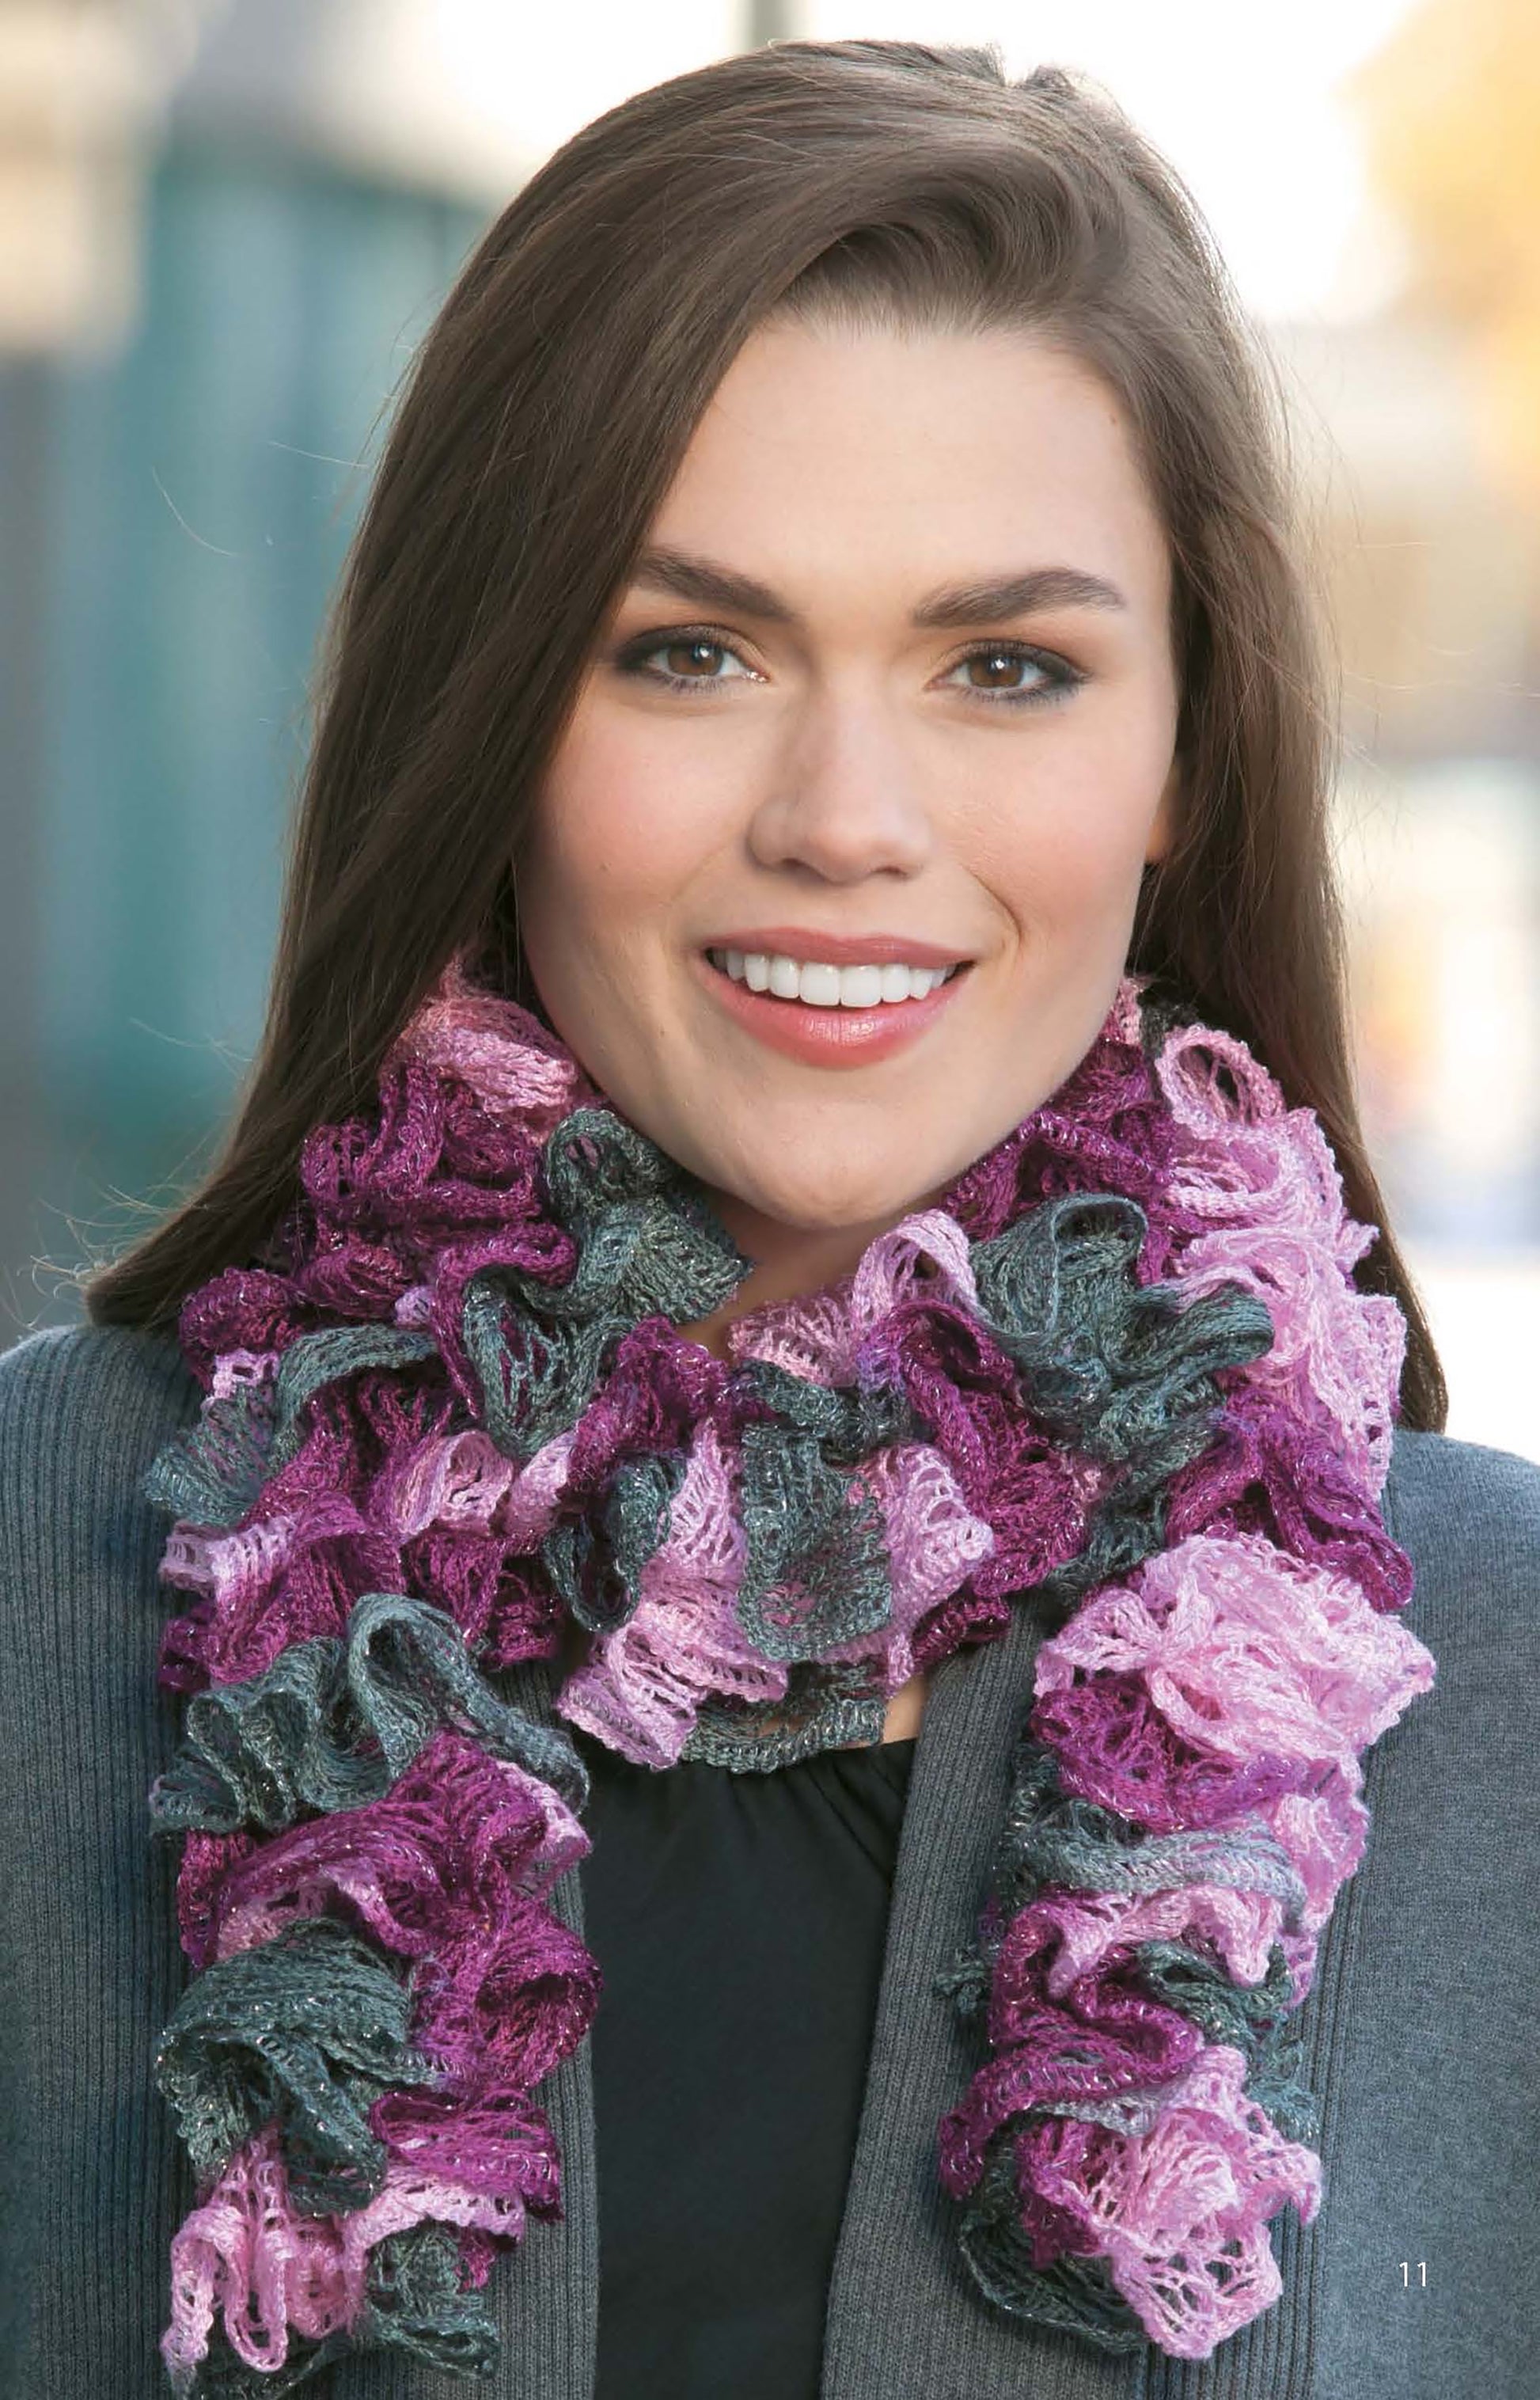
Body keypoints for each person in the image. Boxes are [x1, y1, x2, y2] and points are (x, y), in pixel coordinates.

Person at [2, 34, 1538, 2400]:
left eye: (1005, 667)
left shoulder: (1487, 1674)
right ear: (491, 713)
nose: (845, 815)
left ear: (1183, 755)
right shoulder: (54, 1554)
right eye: (690, 651)